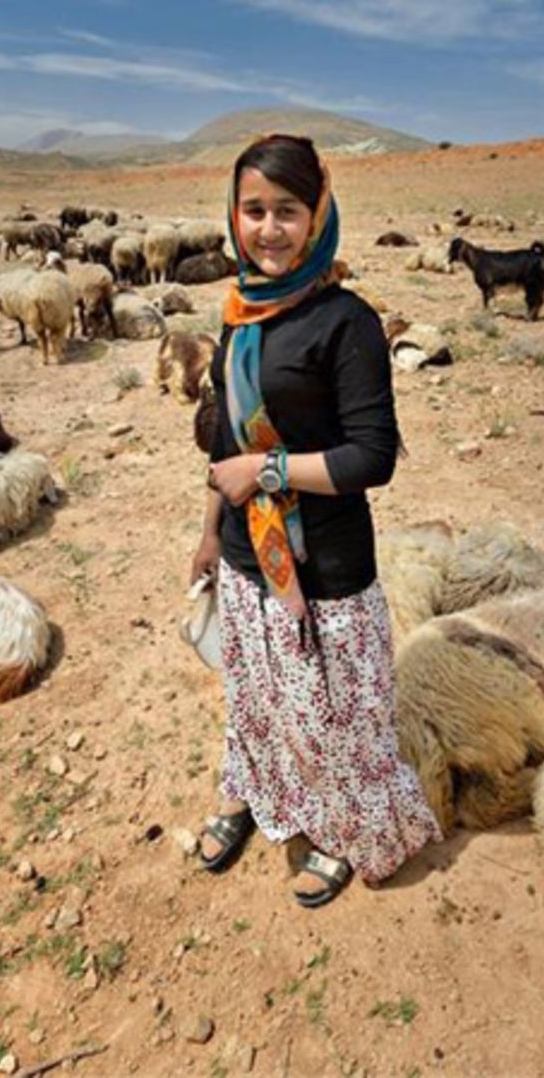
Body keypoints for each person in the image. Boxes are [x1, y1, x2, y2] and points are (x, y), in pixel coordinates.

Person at [187, 133, 440, 908]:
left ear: (318, 216)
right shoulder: (238, 314)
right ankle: (252, 794)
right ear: (234, 217)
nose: (269, 229)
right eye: (254, 210)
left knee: (336, 713)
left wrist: (265, 472)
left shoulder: (346, 321)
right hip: (244, 557)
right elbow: (222, 438)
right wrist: (206, 531)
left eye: (287, 211)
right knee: (257, 697)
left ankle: (341, 827)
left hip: (325, 566)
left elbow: (371, 458)